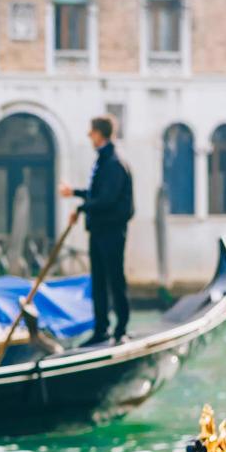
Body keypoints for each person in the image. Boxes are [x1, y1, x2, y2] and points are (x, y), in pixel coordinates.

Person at [59, 115, 133, 345]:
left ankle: (120, 329)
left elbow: (108, 199)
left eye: (91, 132)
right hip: (100, 230)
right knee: (99, 281)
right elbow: (98, 194)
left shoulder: (113, 162)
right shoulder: (104, 160)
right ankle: (101, 329)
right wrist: (76, 194)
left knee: (114, 280)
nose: (89, 136)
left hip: (111, 231)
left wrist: (81, 207)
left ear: (99, 134)